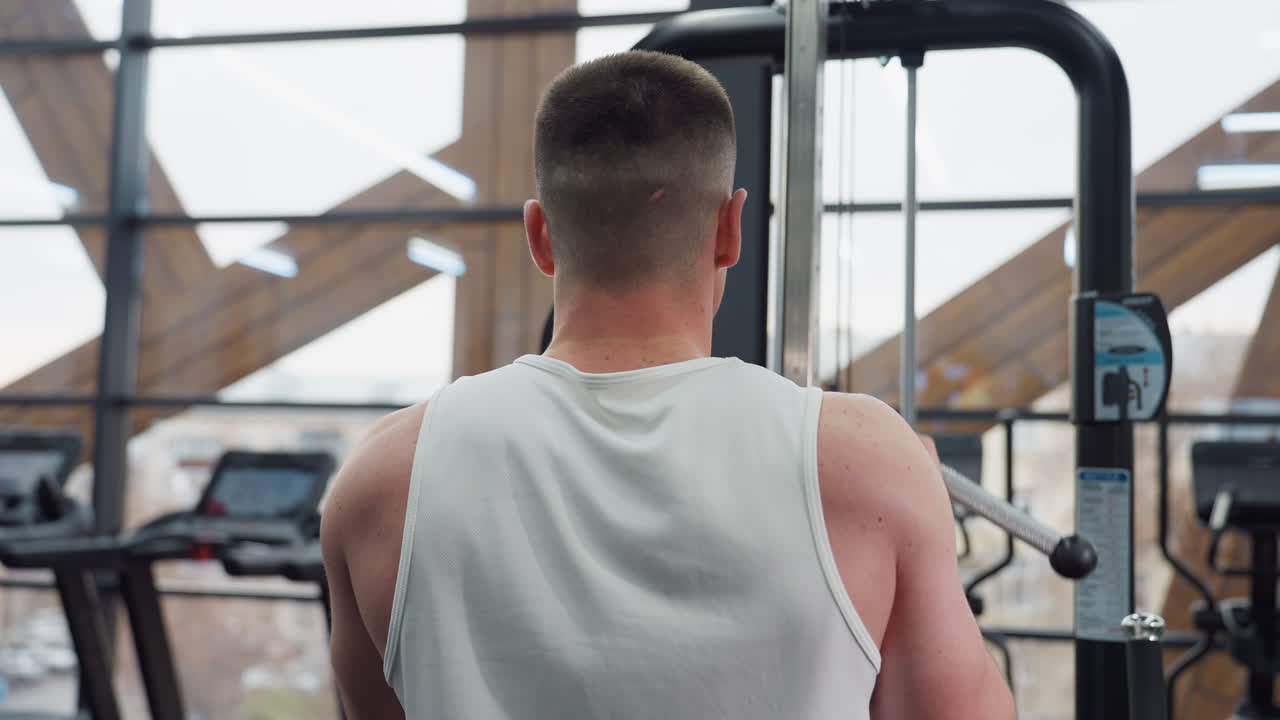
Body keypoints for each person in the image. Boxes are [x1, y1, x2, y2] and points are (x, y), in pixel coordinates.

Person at [320, 50, 1015, 720]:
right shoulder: (869, 464)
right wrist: (920, 506)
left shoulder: (380, 480)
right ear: (731, 229)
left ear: (540, 235)